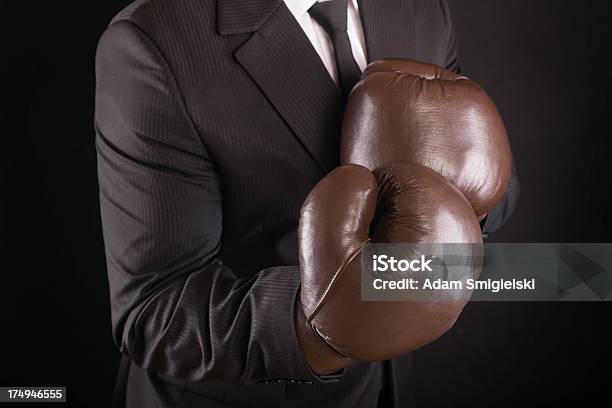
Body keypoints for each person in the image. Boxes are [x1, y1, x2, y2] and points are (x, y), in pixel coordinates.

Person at [95, 0, 519, 407]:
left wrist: (462, 208)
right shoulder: (153, 42)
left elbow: (490, 177)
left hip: (392, 388)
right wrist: (311, 328)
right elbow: (154, 307)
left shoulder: (420, 7)